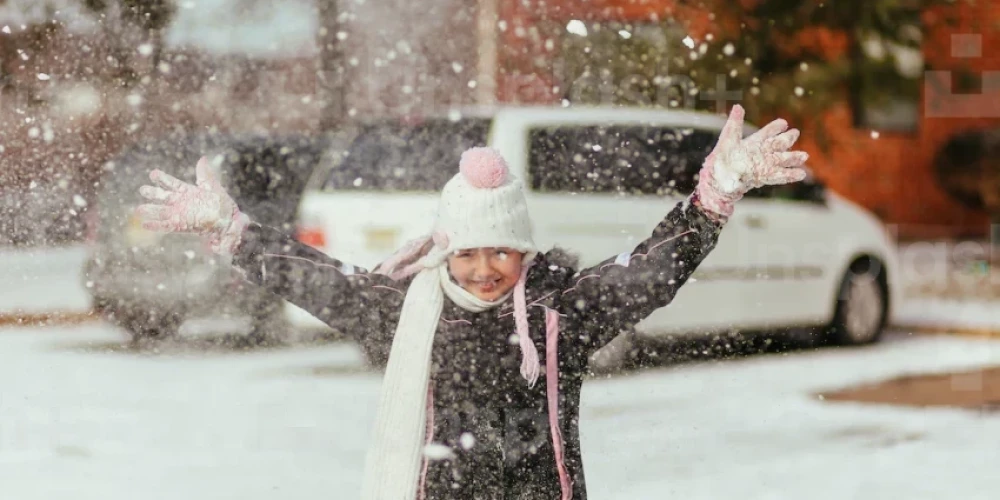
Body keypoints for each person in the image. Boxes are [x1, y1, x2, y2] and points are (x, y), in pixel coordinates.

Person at [135, 104, 808, 500]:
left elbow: (653, 271)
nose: (485, 270)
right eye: (467, 252)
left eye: (501, 252)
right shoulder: (407, 310)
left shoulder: (558, 314)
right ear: (443, 251)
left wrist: (716, 192)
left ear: (523, 249)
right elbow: (318, 278)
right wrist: (233, 230)